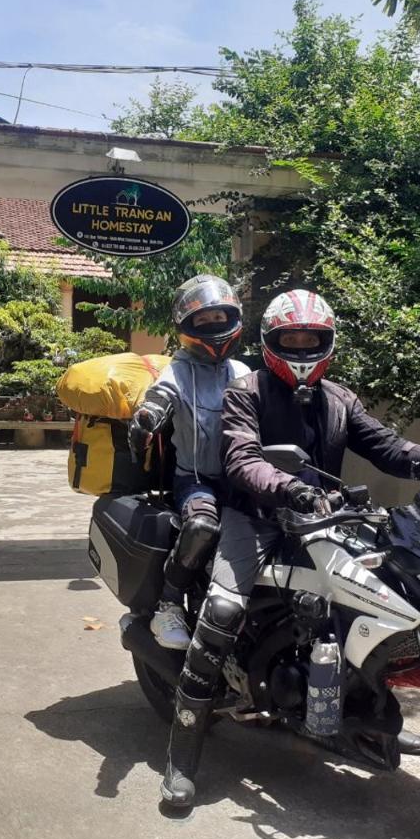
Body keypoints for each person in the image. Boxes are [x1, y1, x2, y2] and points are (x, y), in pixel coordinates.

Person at [160, 289, 420, 808]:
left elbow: (385, 445)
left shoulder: (339, 398)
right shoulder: (246, 392)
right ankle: (182, 755)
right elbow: (243, 460)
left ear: (327, 342)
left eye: (310, 339)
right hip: (256, 518)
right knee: (222, 612)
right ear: (271, 342)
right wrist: (288, 487)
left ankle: (370, 716)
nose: (300, 347)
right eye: (290, 338)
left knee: (377, 601)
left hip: (326, 519)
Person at [128, 275, 250, 651]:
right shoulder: (178, 371)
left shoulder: (242, 372)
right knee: (201, 526)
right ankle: (168, 604)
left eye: (219, 319)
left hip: (242, 477)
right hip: (195, 479)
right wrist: (148, 415)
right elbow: (159, 397)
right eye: (203, 321)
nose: (214, 327)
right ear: (186, 327)